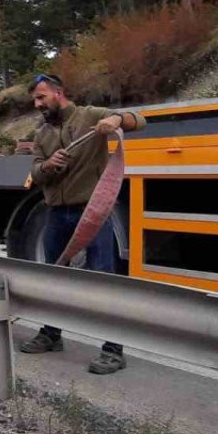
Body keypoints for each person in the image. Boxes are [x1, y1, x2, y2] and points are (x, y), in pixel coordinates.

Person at [18, 74, 146, 375]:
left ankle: (113, 351)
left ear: (59, 93)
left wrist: (115, 120)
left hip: (92, 212)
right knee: (53, 277)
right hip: (56, 214)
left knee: (103, 278)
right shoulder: (42, 135)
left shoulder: (90, 116)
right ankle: (51, 335)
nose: (37, 104)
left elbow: (139, 120)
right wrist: (48, 166)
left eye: (41, 97)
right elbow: (35, 173)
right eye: (35, 100)